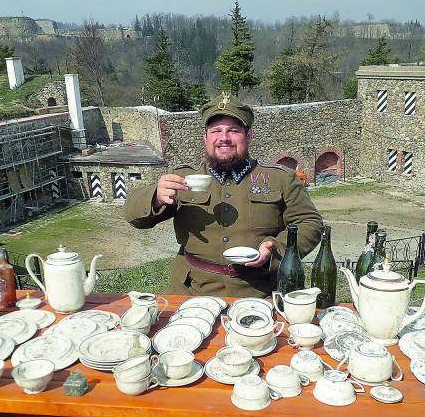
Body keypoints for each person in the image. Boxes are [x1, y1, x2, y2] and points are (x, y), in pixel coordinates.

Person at [124, 93, 322, 297]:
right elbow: (133, 216)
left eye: (233, 131)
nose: (224, 138)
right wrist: (156, 197)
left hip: (260, 291)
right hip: (192, 290)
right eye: (216, 130)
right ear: (205, 137)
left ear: (249, 136)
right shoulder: (183, 177)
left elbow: (310, 223)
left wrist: (277, 248)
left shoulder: (280, 178)